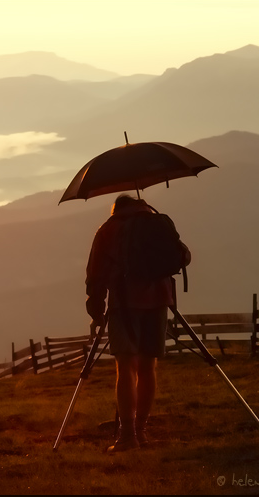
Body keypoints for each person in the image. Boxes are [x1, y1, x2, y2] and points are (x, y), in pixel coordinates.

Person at [85, 194, 190, 453]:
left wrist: (96, 312)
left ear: (115, 208)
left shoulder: (108, 229)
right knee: (147, 367)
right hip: (159, 300)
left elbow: (95, 275)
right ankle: (141, 432)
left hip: (125, 303)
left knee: (126, 368)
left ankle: (127, 436)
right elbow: (184, 256)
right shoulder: (158, 223)